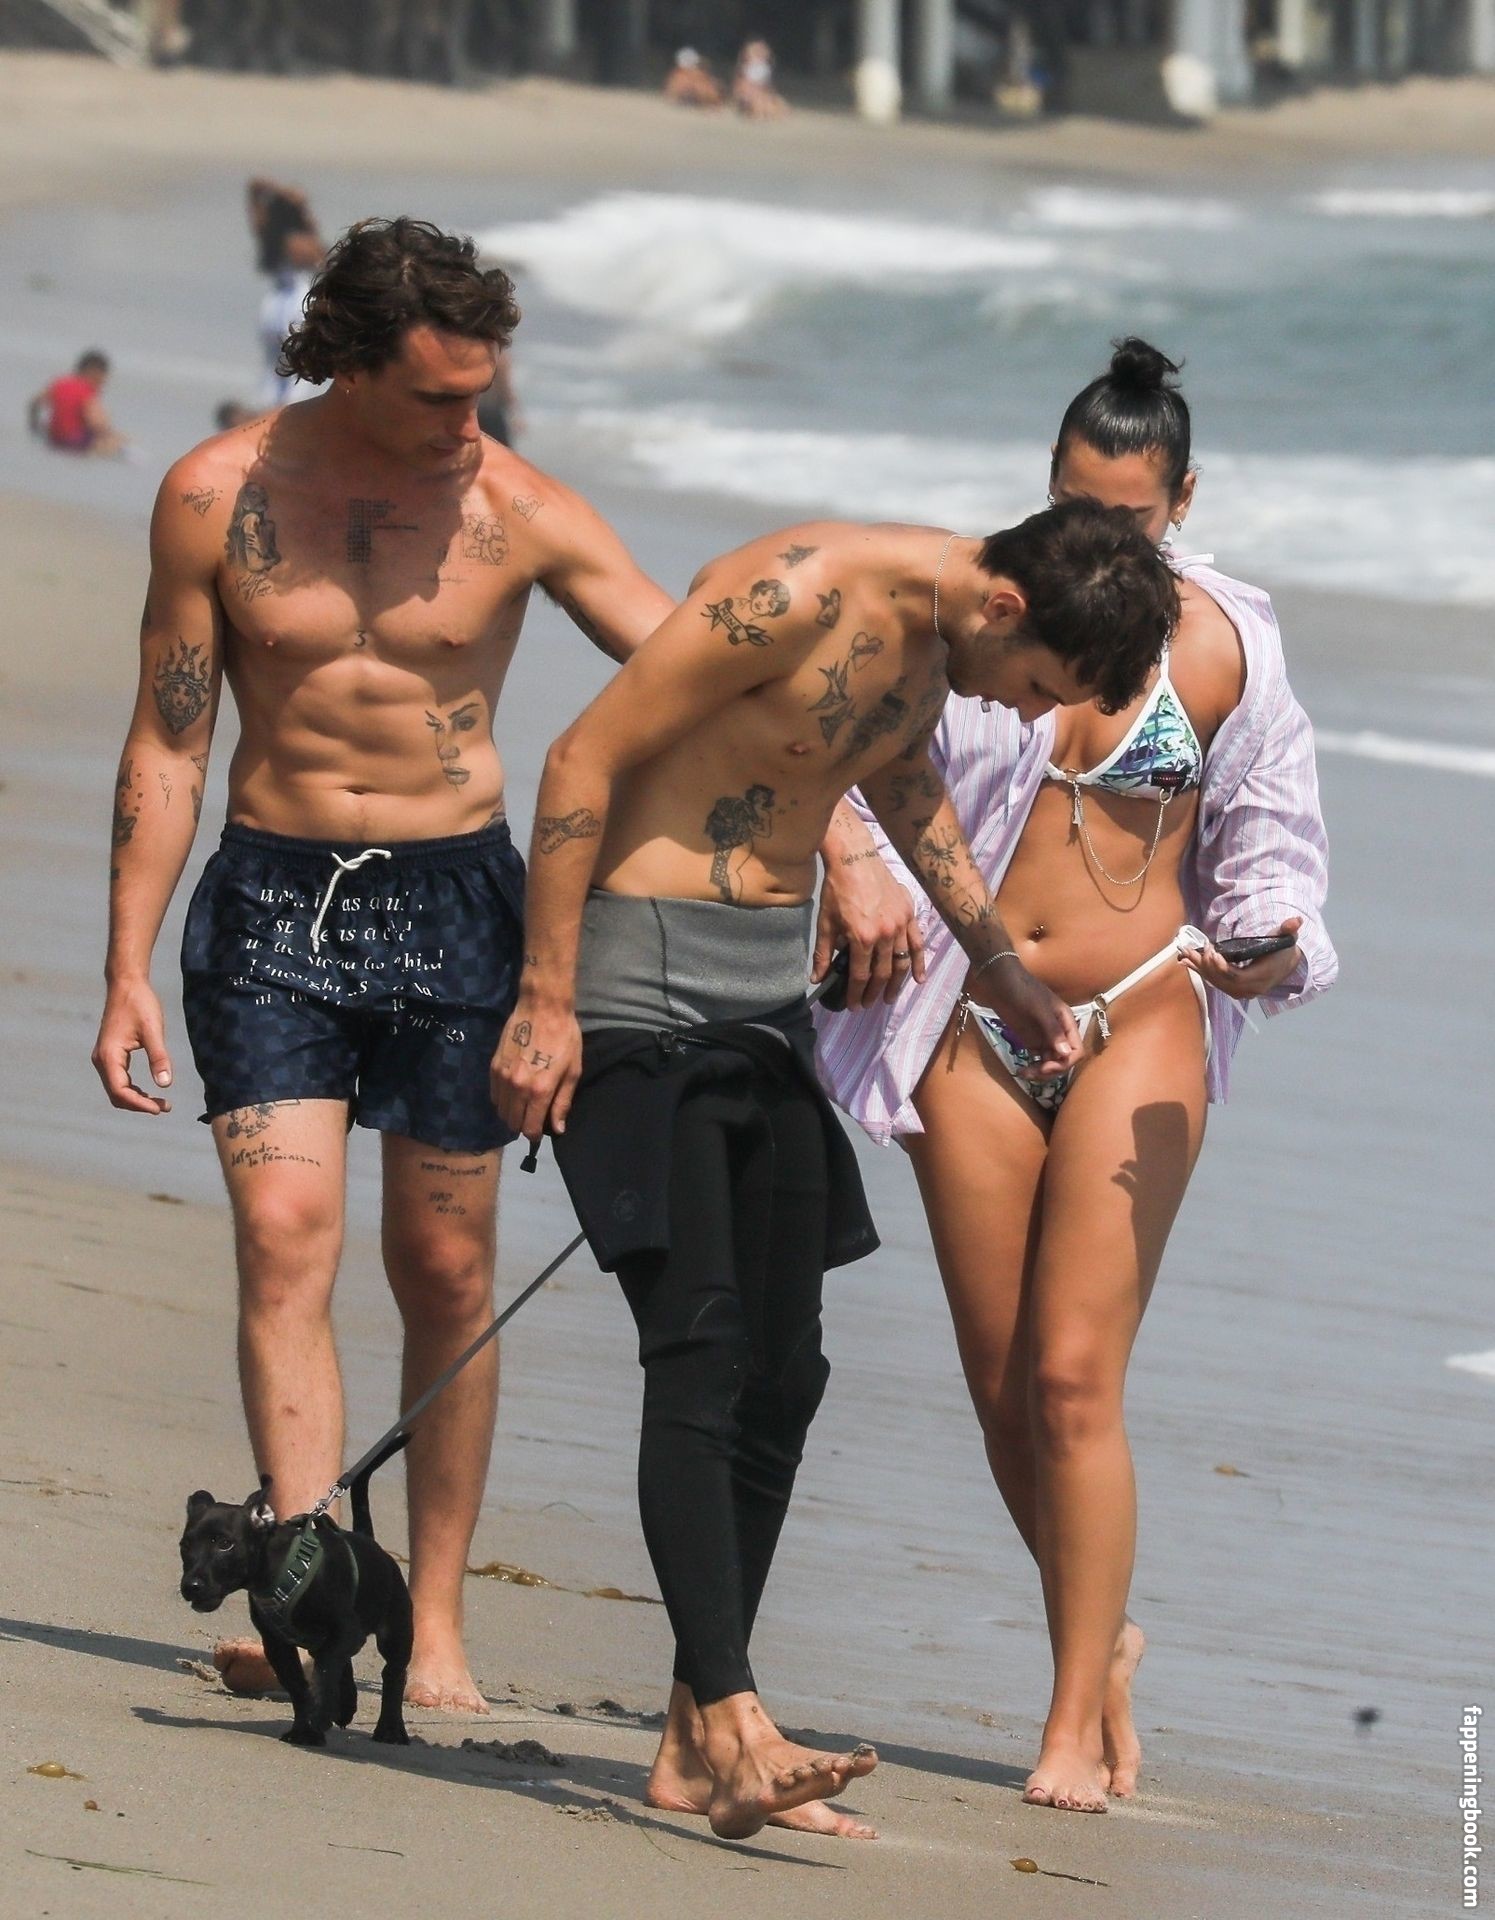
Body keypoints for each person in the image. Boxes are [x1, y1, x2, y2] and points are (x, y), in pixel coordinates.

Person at [493, 499, 1181, 1838]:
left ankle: (693, 1740)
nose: (1031, 717)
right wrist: (543, 999)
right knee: (699, 1350)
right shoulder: (796, 592)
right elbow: (583, 756)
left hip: (762, 1003)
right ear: (1003, 609)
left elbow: (900, 783)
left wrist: (997, 965)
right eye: (1038, 687)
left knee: (786, 1372)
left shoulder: (939, 647)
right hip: (639, 987)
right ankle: (730, 1714)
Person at [91, 216, 675, 1713]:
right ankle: (303, 1593)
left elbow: (696, 669)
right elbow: (170, 738)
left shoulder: (517, 508)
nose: (471, 422)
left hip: (456, 907)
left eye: (483, 391)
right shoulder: (215, 496)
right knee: (286, 1237)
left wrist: (851, 837)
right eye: (437, 396)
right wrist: (127, 963)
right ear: (345, 364)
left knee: (444, 1264)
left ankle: (440, 1623)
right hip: (270, 906)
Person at [815, 339, 1337, 1814]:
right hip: (973, 1010)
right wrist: (849, 858)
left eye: (1131, 518)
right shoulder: (973, 609)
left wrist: (1270, 947)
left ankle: (1066, 1722)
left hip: (1137, 1008)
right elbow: (829, 742)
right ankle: (1099, 1643)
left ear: (1184, 501)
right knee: (1001, 1392)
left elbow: (1273, 850)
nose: (1100, 540)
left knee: (1070, 1376)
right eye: (1073, 508)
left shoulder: (1227, 643)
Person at [248, 179, 325, 410]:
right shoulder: (300, 240)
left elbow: (254, 188)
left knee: (278, 365)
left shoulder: (275, 240)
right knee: (294, 365)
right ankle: (284, 410)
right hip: (293, 300)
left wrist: (276, 192)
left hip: (279, 302)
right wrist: (293, 200)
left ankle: (275, 410)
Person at [28, 351, 126, 457]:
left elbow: (34, 403)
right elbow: (98, 423)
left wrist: (35, 427)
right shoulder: (87, 392)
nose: (103, 384)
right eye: (102, 379)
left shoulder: (58, 384)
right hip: (75, 443)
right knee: (120, 441)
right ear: (94, 373)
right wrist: (110, 434)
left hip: (53, 439)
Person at [732, 39, 789, 119]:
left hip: (762, 93)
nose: (759, 57)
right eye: (756, 54)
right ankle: (759, 112)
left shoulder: (765, 69)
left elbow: (768, 85)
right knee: (758, 102)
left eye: (761, 54)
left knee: (775, 102)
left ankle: (771, 112)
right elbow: (742, 85)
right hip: (750, 94)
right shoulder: (746, 69)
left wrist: (768, 92)